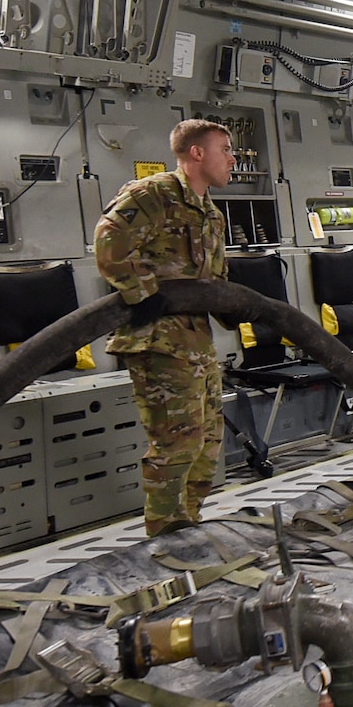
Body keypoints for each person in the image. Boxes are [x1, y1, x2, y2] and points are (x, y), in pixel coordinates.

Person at [94, 118, 232, 536]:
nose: (232, 159)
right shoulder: (153, 194)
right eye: (224, 149)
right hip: (158, 342)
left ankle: (188, 523)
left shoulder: (210, 212)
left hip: (196, 344)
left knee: (208, 444)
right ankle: (165, 531)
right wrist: (144, 294)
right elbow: (108, 240)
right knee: (177, 444)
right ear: (197, 153)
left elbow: (215, 279)